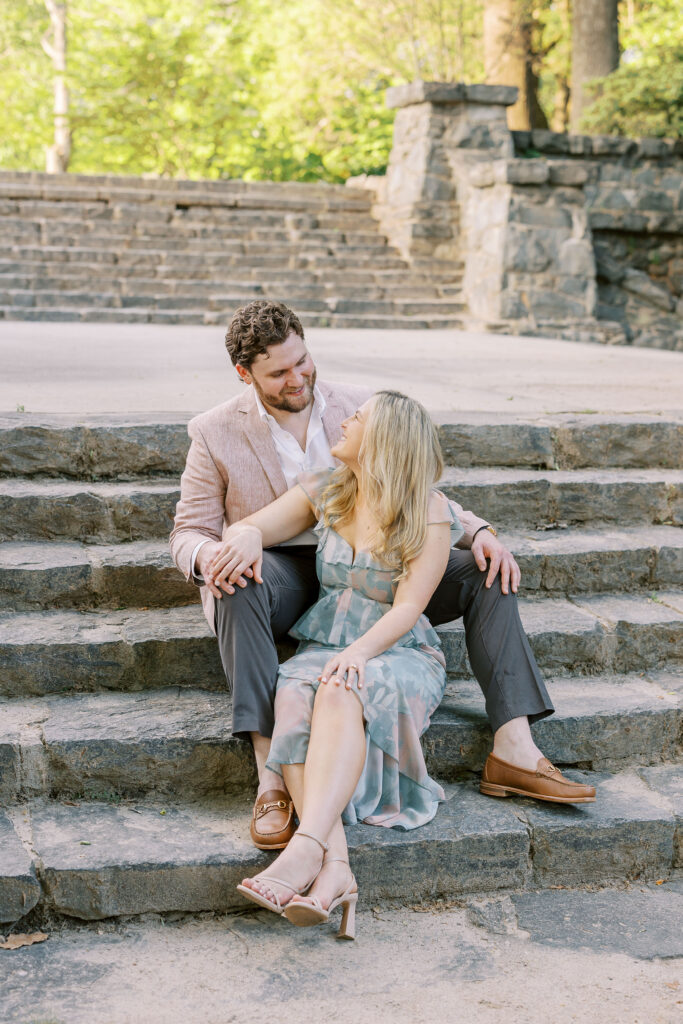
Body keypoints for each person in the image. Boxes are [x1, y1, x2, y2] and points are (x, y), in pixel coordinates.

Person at [169, 300, 595, 852]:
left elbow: (409, 482)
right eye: (279, 372)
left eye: (303, 361)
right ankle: (270, 777)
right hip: (281, 571)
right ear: (245, 374)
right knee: (231, 581)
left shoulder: (357, 406)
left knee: (487, 573)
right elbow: (187, 532)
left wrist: (477, 529)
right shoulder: (214, 430)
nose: (298, 378)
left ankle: (513, 745)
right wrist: (225, 549)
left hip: (377, 567)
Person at [233, 390, 462, 936]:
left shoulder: (429, 510)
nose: (344, 421)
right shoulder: (327, 490)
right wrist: (241, 538)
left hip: (397, 651)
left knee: (338, 687)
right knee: (293, 691)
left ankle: (306, 851)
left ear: (383, 439)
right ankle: (335, 867)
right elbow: (251, 527)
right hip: (325, 643)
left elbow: (409, 605)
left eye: (357, 418)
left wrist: (358, 653)